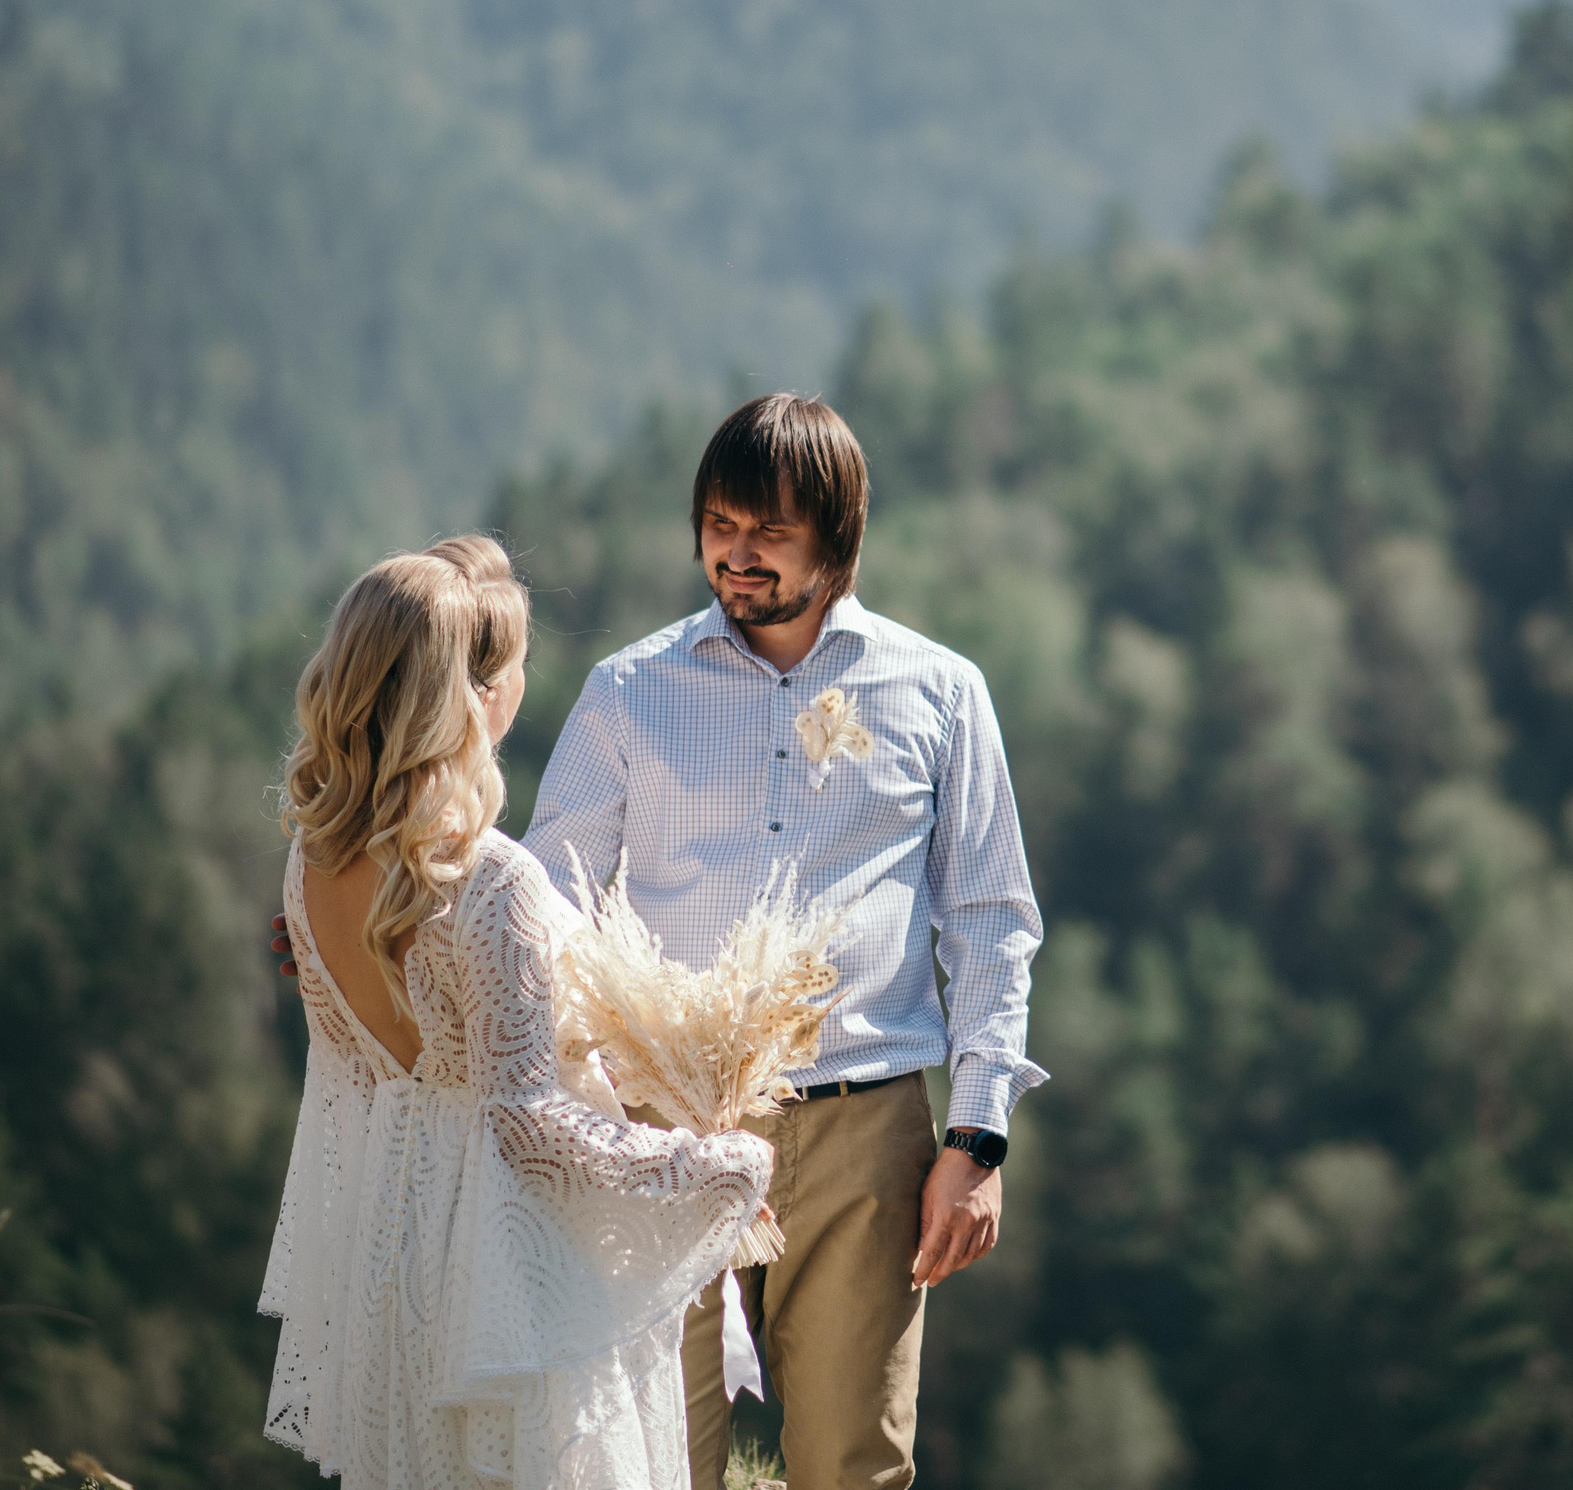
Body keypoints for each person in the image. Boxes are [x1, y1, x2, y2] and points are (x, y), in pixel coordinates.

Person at [524, 394, 1046, 1490]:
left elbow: (992, 921)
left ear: (838, 537)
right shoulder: (629, 690)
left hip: (867, 1136)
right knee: (656, 1463)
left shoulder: (941, 693)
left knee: (853, 1467)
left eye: (769, 529)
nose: (737, 552)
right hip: (665, 1135)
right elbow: (545, 904)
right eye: (719, 522)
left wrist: (978, 1139)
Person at [262, 535, 777, 1490]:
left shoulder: (312, 863)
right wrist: (712, 1160)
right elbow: (526, 1123)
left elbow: (357, 1073)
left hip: (394, 1244)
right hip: (506, 1270)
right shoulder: (489, 879)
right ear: (477, 692)